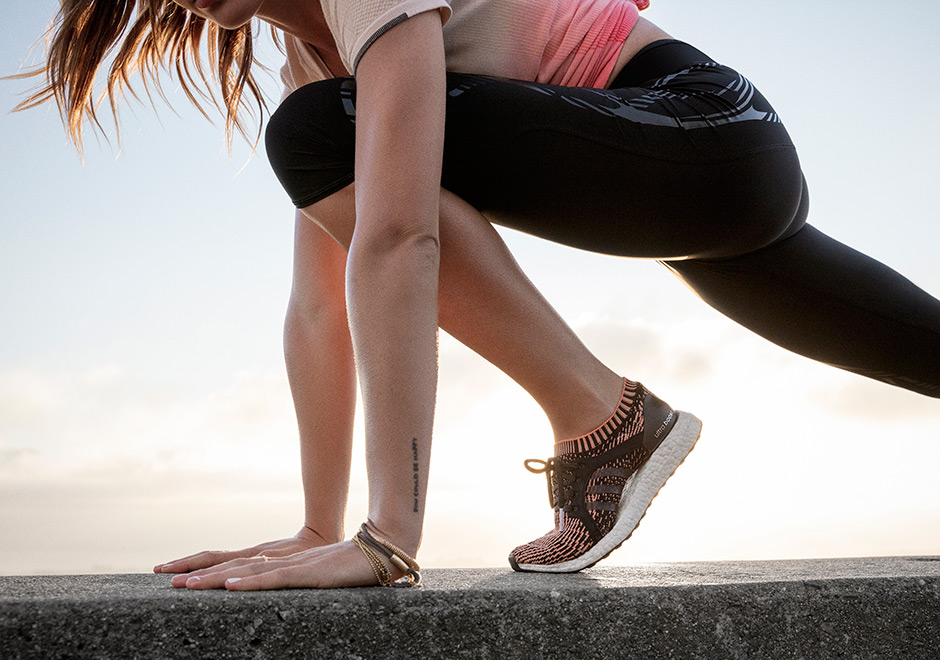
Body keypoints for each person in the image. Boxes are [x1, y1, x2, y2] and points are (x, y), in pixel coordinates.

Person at [15, 0, 940, 589]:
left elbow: (400, 239)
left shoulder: (354, 34)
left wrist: (387, 540)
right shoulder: (319, 71)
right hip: (699, 172)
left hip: (697, 127)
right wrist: (315, 527)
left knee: (313, 137)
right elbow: (321, 304)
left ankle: (606, 417)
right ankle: (603, 417)